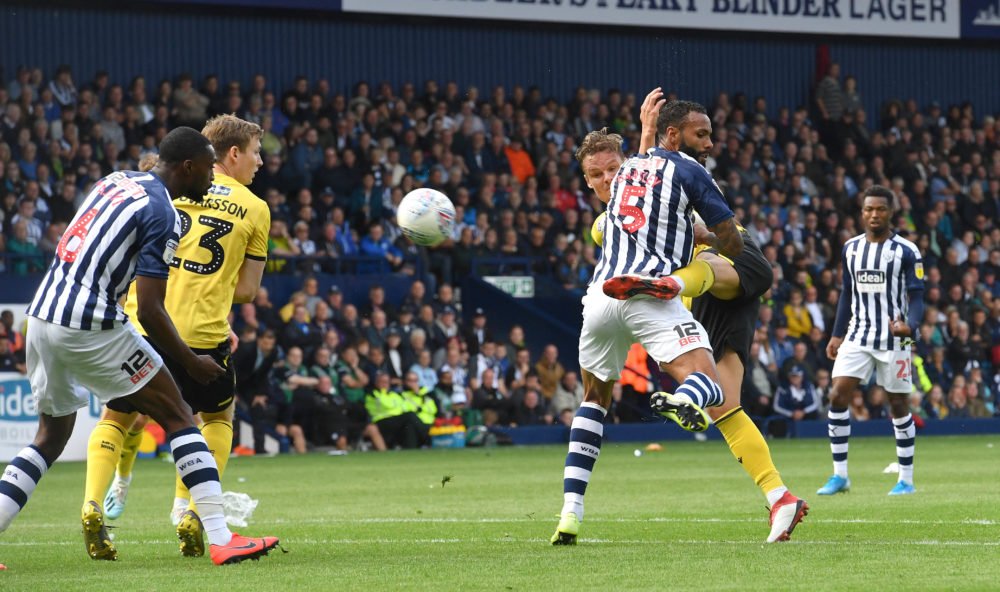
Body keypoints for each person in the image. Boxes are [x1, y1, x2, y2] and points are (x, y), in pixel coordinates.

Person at [0, 127, 278, 565]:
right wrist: (191, 361)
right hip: (90, 321)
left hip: (42, 314)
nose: (212, 178)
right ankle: (222, 538)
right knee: (179, 414)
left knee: (50, 436)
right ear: (188, 167)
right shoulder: (163, 212)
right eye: (208, 170)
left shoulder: (114, 180)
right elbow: (149, 309)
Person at [557, 89, 807, 546]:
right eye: (597, 174)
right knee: (724, 406)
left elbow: (721, 237)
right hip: (663, 286)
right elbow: (641, 174)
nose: (609, 178)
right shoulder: (617, 212)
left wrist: (690, 240)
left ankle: (670, 289)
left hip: (724, 264)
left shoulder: (664, 173)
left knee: (702, 275)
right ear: (588, 181)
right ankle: (779, 497)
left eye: (614, 168)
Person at [86, 115, 271, 559]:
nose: (259, 163)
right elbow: (246, 291)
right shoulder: (255, 207)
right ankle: (190, 510)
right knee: (214, 420)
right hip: (203, 334)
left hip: (139, 326)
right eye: (255, 153)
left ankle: (93, 503)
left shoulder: (169, 190)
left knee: (116, 417)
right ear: (233, 154)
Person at [818, 185, 925, 496]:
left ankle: (905, 479)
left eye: (880, 209)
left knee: (898, 404)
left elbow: (916, 297)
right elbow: (846, 294)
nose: (874, 214)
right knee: (838, 394)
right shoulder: (850, 248)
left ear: (890, 212)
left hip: (895, 340)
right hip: (858, 334)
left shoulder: (906, 251)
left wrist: (911, 326)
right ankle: (840, 476)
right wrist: (837, 334)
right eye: (869, 209)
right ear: (862, 213)